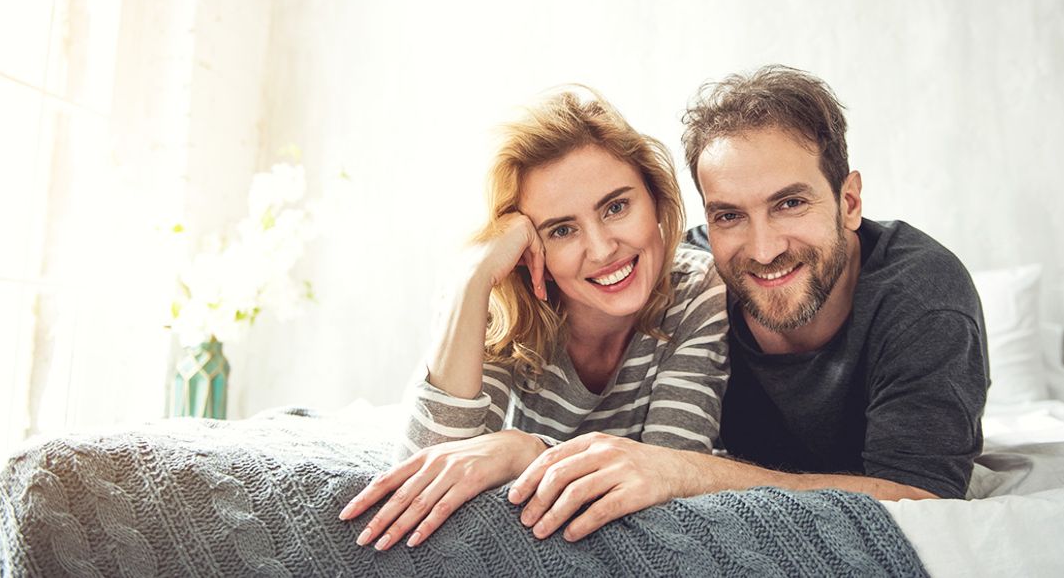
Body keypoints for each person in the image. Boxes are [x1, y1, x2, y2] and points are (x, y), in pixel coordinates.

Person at [503, 65, 989, 543]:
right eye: (730, 215)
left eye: (790, 204)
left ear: (849, 202)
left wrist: (693, 474)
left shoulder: (924, 299)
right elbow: (624, 452)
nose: (763, 250)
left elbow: (925, 504)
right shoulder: (685, 288)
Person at [338, 87, 729, 551]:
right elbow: (425, 473)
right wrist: (474, 276)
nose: (603, 249)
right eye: (562, 230)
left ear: (655, 197)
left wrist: (524, 450)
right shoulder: (508, 304)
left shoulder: (697, 289)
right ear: (528, 251)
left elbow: (668, 475)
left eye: (617, 207)